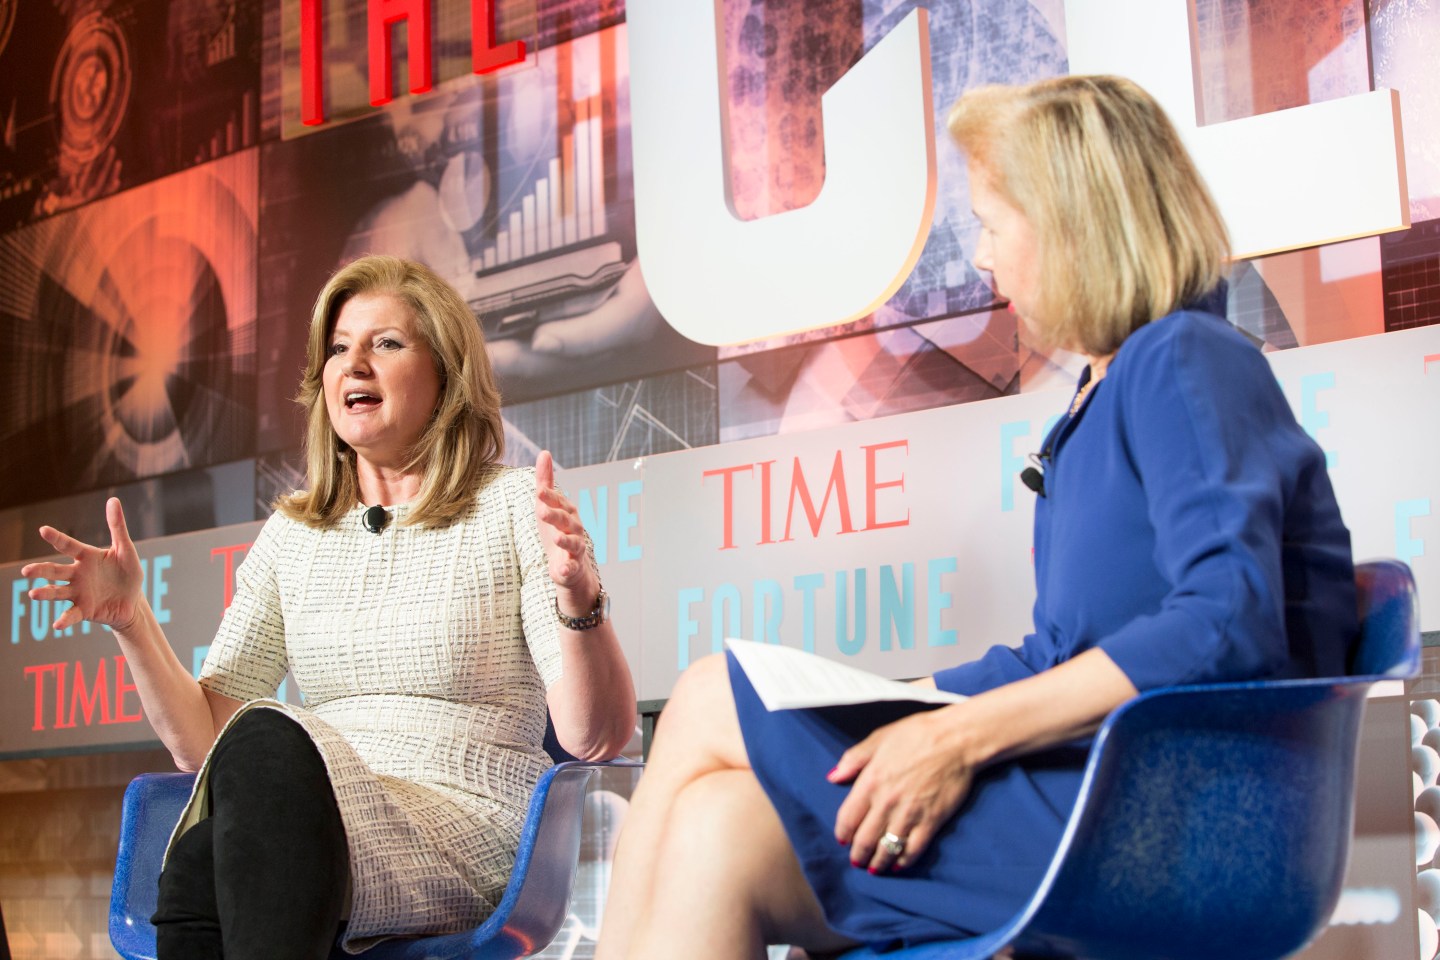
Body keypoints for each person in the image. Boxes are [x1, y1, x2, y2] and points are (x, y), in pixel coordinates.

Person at [592, 75, 1359, 958]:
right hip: (1111, 792)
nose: (984, 260)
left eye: (993, 226)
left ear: (1074, 224)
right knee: (716, 825)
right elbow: (1057, 656)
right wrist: (904, 707)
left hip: (1180, 821)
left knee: (704, 696)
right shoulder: (1106, 391)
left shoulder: (1183, 359)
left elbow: (1230, 620)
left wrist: (956, 735)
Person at [21, 254, 636, 958]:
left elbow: (594, 737)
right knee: (210, 835)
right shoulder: (295, 534)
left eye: (387, 343)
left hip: (460, 825)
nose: (355, 364)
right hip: (309, 815)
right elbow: (202, 743)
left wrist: (579, 598)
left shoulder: (510, 508)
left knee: (253, 767)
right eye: (339, 348)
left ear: (445, 374)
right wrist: (133, 621)